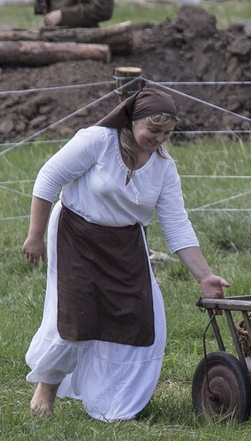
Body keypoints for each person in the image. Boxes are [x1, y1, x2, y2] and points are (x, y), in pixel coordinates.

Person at [22, 87, 230, 422]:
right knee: (76, 316)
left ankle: (115, 408)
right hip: (77, 234)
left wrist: (205, 276)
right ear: (132, 122)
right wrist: (35, 236)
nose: (159, 138)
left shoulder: (164, 169)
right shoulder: (97, 141)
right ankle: (46, 387)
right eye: (153, 130)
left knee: (141, 323)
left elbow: (176, 224)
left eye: (166, 133)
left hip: (125, 244)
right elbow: (48, 178)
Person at [35, 0, 114, 28]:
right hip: (53, 38)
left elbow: (102, 9)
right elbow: (42, 5)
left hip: (85, 42)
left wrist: (63, 15)